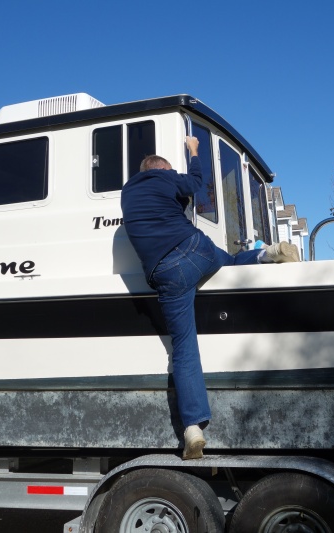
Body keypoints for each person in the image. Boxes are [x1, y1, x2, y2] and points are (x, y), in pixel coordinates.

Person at [121, 136, 299, 460]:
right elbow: (195, 184)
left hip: (164, 273)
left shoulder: (128, 193)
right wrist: (193, 151)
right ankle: (268, 254)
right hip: (194, 250)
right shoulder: (166, 177)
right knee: (228, 263)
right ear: (162, 169)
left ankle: (192, 429)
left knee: (184, 350)